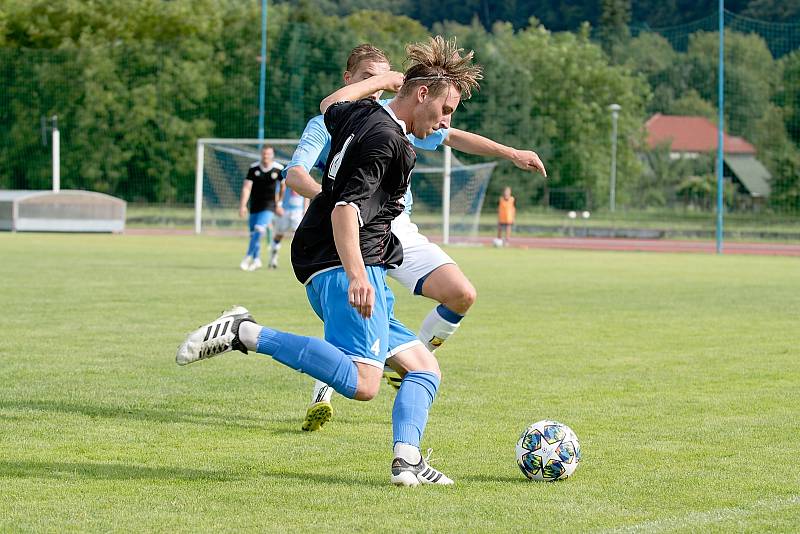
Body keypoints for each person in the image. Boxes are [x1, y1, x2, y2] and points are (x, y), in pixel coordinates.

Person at [177, 36, 482, 487]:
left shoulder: (361, 114)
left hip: (326, 256)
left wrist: (379, 81)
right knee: (364, 384)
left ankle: (408, 460)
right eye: (446, 108)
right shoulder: (389, 143)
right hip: (348, 262)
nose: (446, 121)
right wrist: (358, 273)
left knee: (424, 368)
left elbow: (330, 103)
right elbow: (346, 210)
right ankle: (245, 331)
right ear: (422, 93)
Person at [284, 44, 547, 432]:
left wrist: (510, 153)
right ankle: (328, 380)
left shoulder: (398, 120)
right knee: (356, 310)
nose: (377, 89)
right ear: (349, 81)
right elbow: (295, 175)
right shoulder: (330, 122)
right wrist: (336, 199)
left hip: (398, 229)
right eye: (367, 80)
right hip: (350, 227)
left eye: (384, 80)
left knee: (461, 294)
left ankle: (408, 362)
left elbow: (451, 134)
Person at [238, 145, 285, 271]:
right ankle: (257, 259)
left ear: (272, 155)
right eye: (264, 154)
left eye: (268, 154)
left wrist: (279, 203)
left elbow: (283, 187)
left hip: (269, 206)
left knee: (259, 230)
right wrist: (243, 205)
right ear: (261, 154)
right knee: (253, 234)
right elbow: (247, 187)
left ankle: (248, 257)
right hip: (254, 206)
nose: (266, 156)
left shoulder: (278, 169)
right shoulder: (253, 168)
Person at [267, 185, 309, 269]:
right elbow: (277, 191)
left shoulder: (304, 175)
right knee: (279, 235)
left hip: (298, 211)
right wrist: (277, 206)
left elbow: (306, 194)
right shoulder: (285, 176)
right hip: (284, 210)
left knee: (299, 236)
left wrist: (306, 209)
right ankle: (273, 258)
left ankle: (300, 261)